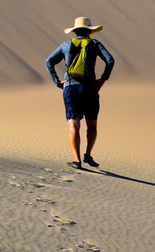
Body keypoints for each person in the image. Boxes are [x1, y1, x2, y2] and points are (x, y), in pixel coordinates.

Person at [45, 17, 115, 170]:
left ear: (75, 31)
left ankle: (77, 161)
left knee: (74, 125)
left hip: (70, 88)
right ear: (90, 31)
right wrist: (102, 80)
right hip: (90, 88)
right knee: (91, 125)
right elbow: (110, 61)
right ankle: (88, 154)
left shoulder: (66, 44)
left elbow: (49, 61)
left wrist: (57, 82)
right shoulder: (94, 43)